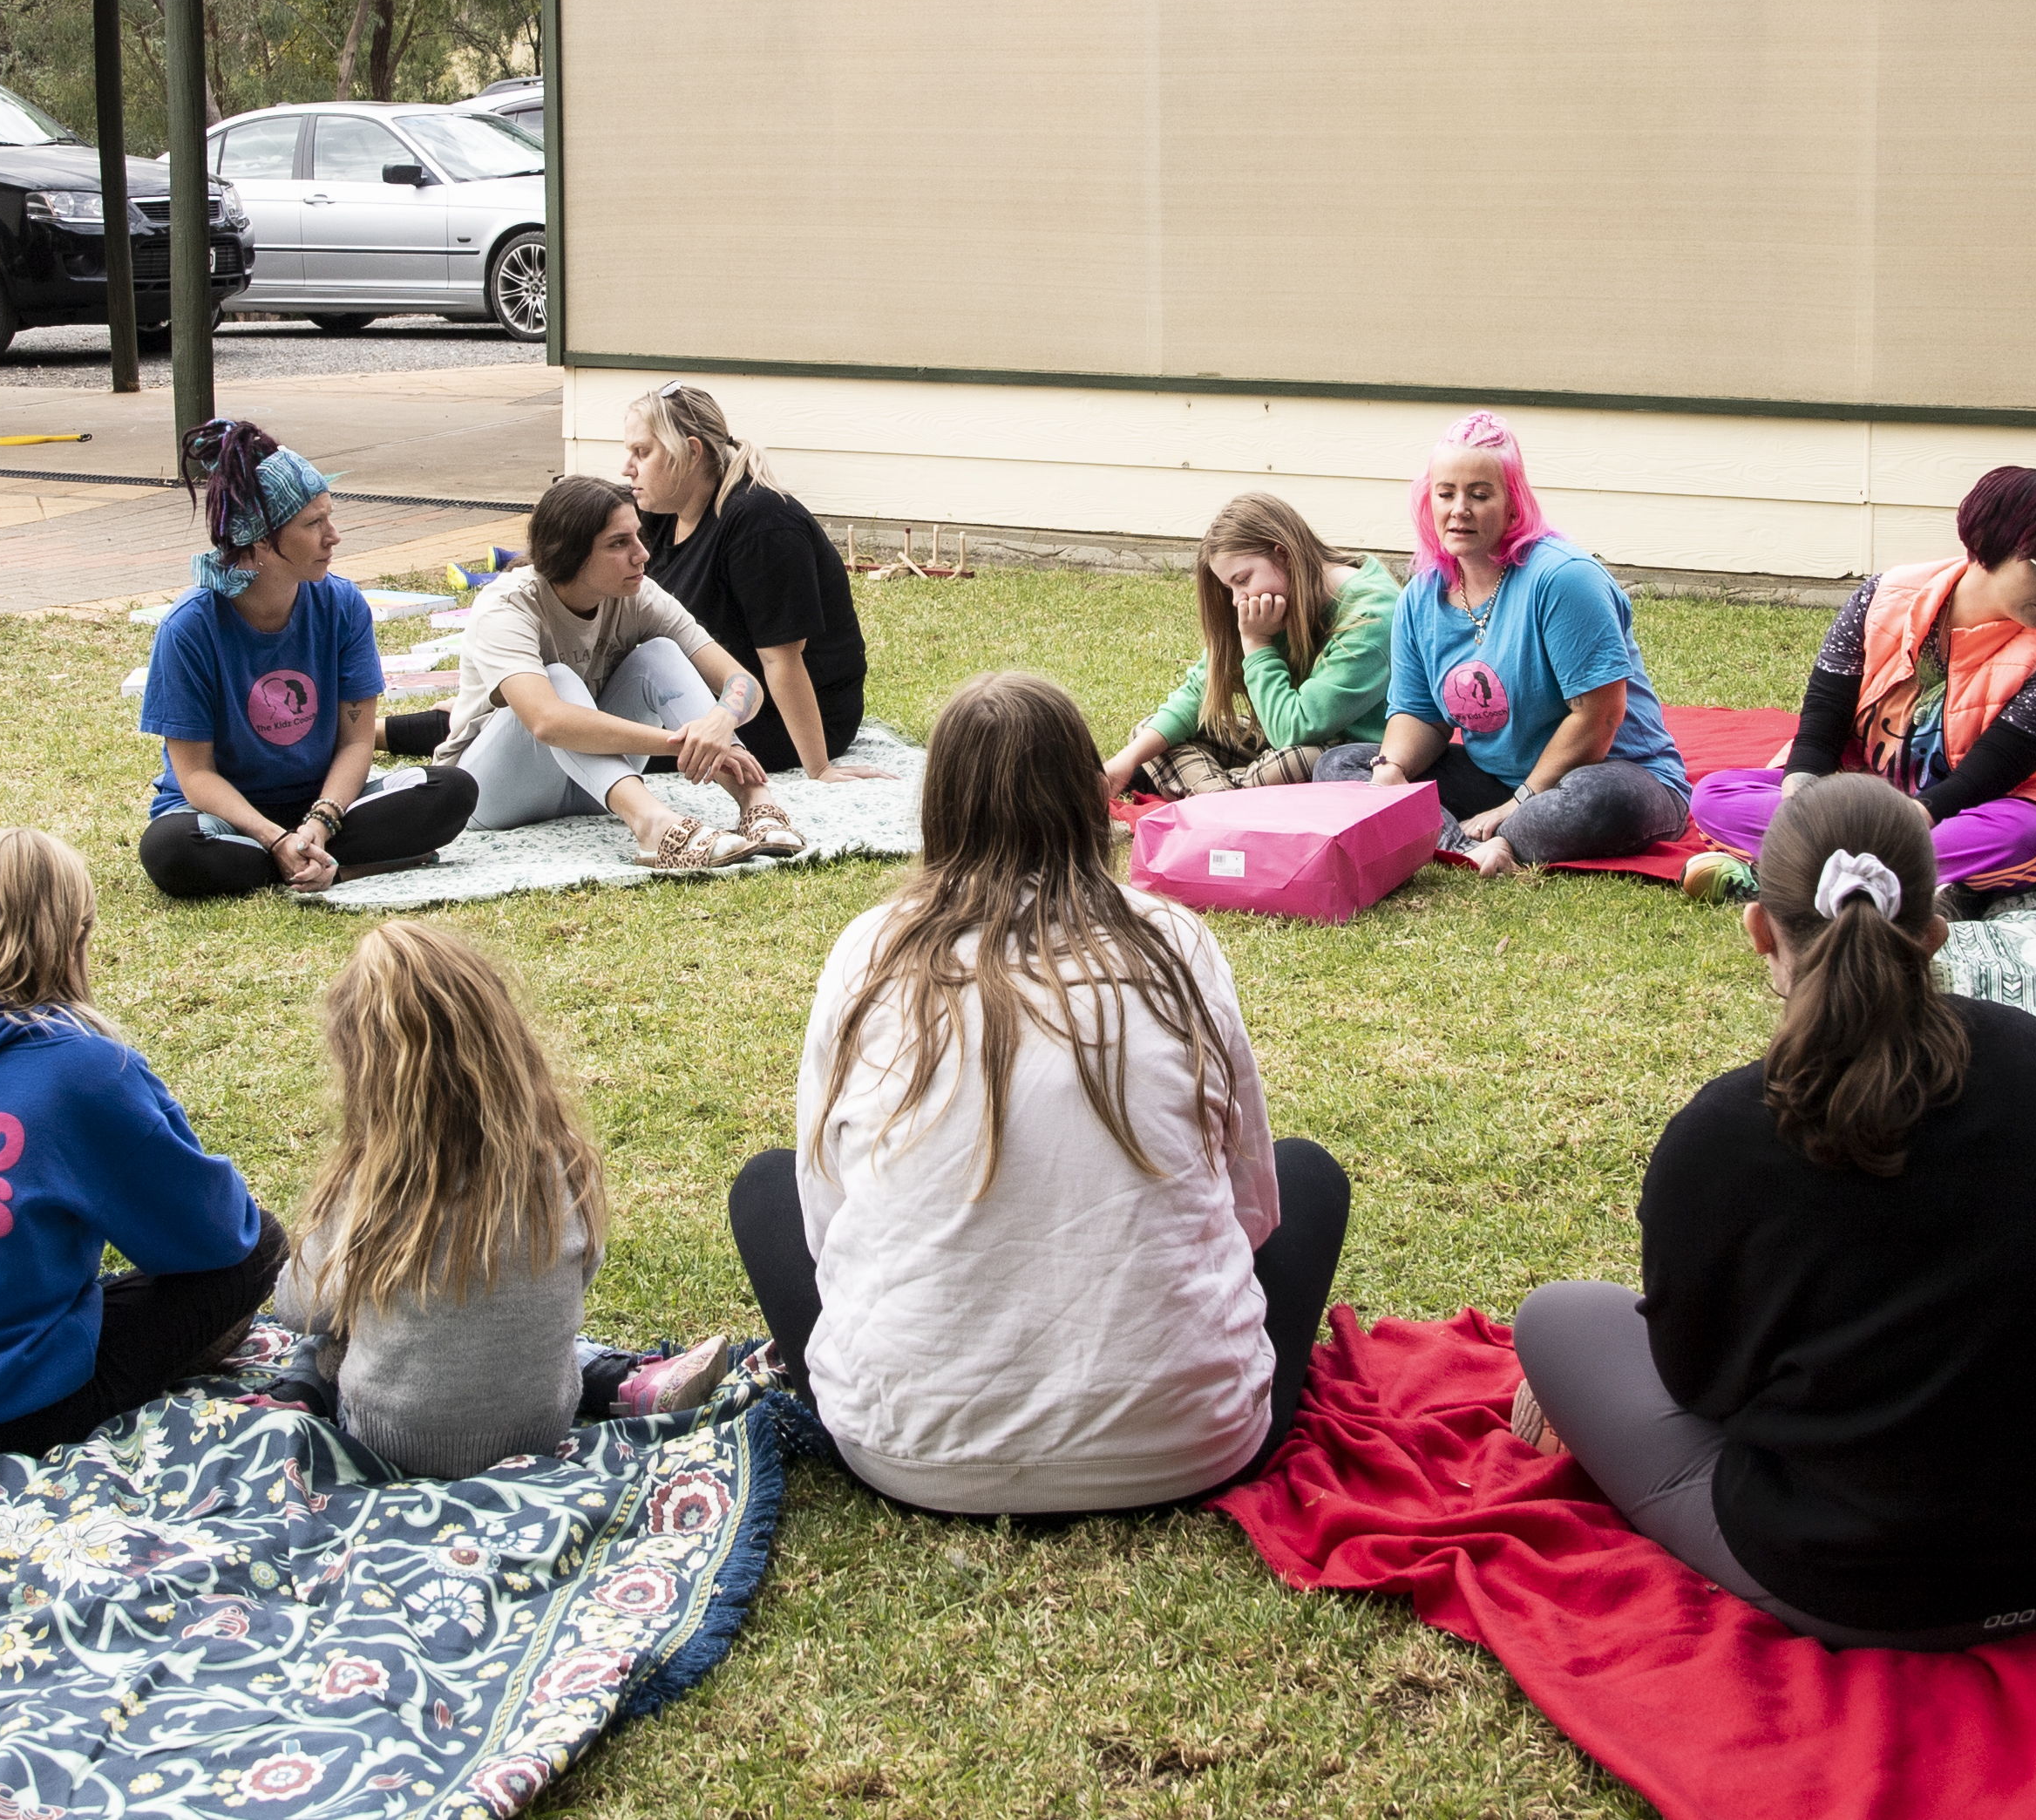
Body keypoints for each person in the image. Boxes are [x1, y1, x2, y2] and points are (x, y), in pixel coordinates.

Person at [1508, 776, 2036, 1646]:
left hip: (1863, 1580)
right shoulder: (2030, 1053)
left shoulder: (1720, 1133)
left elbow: (1700, 1384)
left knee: (1558, 1320)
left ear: (1758, 930)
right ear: (1933, 932)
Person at [729, 671, 1354, 1518]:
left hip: (905, 1449)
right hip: (1191, 1444)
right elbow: (1251, 1204)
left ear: (939, 804)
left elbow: (825, 1218)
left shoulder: (870, 949)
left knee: (762, 1185)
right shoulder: (1176, 941)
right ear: (1083, 794)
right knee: (1308, 1173)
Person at [0, 825, 288, 1458]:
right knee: (260, 1242)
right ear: (76, 936)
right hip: (12, 1411)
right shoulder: (84, 1069)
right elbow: (213, 1236)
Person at [282, 920, 736, 1474]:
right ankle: (627, 1379)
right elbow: (580, 1274)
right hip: (539, 1427)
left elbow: (300, 1306)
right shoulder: (561, 1162)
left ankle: (294, 1397)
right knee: (538, 1332)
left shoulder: (369, 1184)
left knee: (323, 1340)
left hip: (391, 1440)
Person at [1686, 464, 2036, 904]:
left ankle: (1795, 873)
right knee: (1715, 797)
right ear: (1989, 545)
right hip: (1864, 795)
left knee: (2028, 838)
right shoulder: (1882, 595)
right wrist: (1801, 798)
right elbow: (1823, 718)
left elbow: (1990, 774)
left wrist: (1890, 821)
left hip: (1966, 810)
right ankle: (1906, 885)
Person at [1327, 411, 1689, 871]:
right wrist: (1391, 770)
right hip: (1496, 779)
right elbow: (1421, 715)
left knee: (1597, 800)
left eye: (1479, 495)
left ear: (1513, 505)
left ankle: (1474, 837)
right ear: (1428, 503)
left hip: (1615, 774)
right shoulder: (1421, 595)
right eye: (1446, 494)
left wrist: (1519, 803)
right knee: (1345, 766)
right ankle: (1475, 847)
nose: (1459, 509)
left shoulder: (1564, 579)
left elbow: (1600, 718)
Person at [139, 418, 481, 900]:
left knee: (452, 790)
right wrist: (273, 837)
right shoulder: (189, 627)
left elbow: (356, 742)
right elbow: (195, 773)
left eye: (330, 516)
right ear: (261, 539)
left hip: (326, 803)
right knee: (172, 851)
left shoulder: (342, 605)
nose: (333, 536)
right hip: (227, 818)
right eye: (312, 523)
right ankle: (334, 867)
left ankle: (311, 861)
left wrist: (320, 820)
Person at [428, 476, 802, 873]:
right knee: (558, 680)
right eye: (618, 543)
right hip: (490, 794)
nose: (642, 555)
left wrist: (720, 722)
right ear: (568, 553)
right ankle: (653, 826)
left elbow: (742, 682)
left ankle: (757, 802)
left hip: (596, 785)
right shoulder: (507, 605)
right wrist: (683, 744)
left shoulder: (640, 596)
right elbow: (547, 721)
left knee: (661, 654)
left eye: (638, 537)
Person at [626, 382, 882, 780]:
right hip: (713, 694)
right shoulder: (660, 514)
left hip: (783, 718)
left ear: (691, 452)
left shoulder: (761, 522)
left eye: (642, 452)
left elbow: (781, 657)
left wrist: (820, 769)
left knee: (604, 742)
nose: (628, 467)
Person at [1103, 494, 1401, 799]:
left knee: (1293, 762)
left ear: (1283, 553)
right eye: (1229, 587)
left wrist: (1257, 644)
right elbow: (1199, 693)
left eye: (1243, 580)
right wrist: (1124, 761)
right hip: (1278, 739)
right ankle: (1230, 798)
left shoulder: (1371, 614)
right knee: (1150, 736)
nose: (1236, 600)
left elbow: (1294, 730)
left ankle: (1217, 798)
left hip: (1354, 756)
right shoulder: (1275, 604)